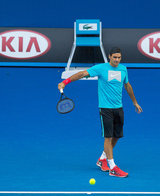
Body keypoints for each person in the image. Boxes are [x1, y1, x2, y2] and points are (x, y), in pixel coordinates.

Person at [58, 47, 143, 178]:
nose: (117, 60)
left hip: (118, 108)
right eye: (114, 57)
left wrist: (134, 102)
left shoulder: (123, 69)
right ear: (109, 56)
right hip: (105, 108)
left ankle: (102, 158)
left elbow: (127, 85)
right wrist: (65, 82)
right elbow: (81, 74)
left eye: (119, 58)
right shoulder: (100, 68)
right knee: (108, 137)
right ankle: (112, 167)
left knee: (116, 136)